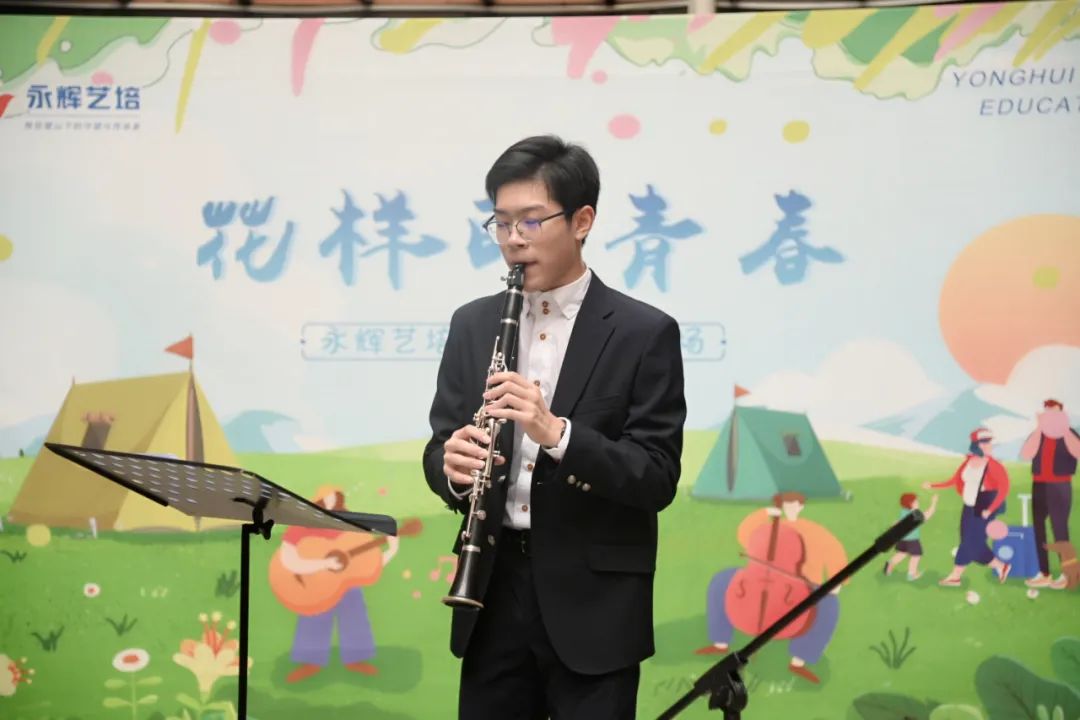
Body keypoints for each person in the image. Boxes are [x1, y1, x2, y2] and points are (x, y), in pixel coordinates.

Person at [422, 135, 687, 719]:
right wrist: (452, 468)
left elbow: (656, 476)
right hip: (491, 590)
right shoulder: (472, 325)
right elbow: (440, 445)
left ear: (582, 220)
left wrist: (558, 434)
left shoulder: (644, 333)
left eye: (531, 221)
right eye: (501, 222)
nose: (513, 239)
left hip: (594, 605)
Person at [695, 492, 847, 684]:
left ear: (801, 506)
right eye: (786, 504)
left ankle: (799, 660)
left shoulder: (814, 530)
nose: (790, 507)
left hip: (798, 584)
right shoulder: (767, 527)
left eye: (794, 504)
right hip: (757, 576)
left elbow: (834, 552)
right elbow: (744, 534)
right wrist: (765, 513)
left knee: (829, 603)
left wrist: (837, 579)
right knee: (720, 581)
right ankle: (720, 642)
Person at [274, 485, 399, 682]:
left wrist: (391, 551)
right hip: (312, 585)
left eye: (336, 502)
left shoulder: (350, 530)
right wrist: (323, 564)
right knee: (313, 618)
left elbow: (366, 565)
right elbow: (289, 560)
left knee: (355, 615)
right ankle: (310, 661)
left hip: (345, 586)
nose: (331, 508)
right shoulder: (301, 528)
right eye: (324, 503)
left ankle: (356, 658)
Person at [923, 428, 1011, 587]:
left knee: (969, 543)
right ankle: (1001, 565)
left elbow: (1004, 488)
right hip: (968, 507)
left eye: (989, 442)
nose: (988, 445)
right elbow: (954, 480)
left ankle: (955, 576)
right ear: (976, 444)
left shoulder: (994, 465)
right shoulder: (968, 462)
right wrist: (933, 485)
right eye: (984, 442)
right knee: (972, 544)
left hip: (984, 507)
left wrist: (990, 510)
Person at [1019, 399, 1079, 590]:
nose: (1050, 417)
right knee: (1039, 528)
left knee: (1060, 529)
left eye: (1055, 413)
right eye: (1047, 413)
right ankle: (1044, 573)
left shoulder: (1069, 434)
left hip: (1060, 485)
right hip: (1039, 484)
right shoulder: (1039, 435)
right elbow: (1026, 454)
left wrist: (1064, 429)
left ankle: (1068, 575)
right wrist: (1039, 428)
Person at [884, 492, 939, 581]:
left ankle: (890, 564)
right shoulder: (915, 514)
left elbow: (899, 522)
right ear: (911, 503)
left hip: (902, 539)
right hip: (912, 540)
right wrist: (934, 502)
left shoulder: (904, 511)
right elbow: (928, 515)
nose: (918, 502)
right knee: (916, 555)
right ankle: (912, 574)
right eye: (916, 501)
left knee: (902, 553)